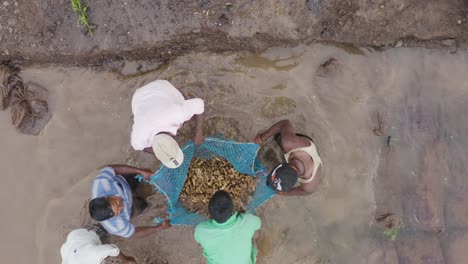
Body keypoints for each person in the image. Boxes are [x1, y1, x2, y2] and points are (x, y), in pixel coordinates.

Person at [131, 80, 205, 168]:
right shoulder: (138, 139)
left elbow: (200, 104)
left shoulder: (177, 115)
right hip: (138, 98)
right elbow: (140, 147)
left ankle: (184, 101)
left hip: (161, 87)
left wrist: (198, 133)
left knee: (184, 106)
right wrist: (159, 151)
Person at [89, 165, 171, 238]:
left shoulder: (101, 182)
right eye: (117, 211)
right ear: (113, 217)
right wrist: (159, 228)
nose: (122, 207)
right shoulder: (117, 226)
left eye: (116, 203)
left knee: (145, 172)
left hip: (123, 182)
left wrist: (141, 171)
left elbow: (112, 169)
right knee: (145, 204)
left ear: (105, 197)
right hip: (131, 207)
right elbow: (134, 233)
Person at [254, 119, 322, 196]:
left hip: (305, 155)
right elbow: (284, 123)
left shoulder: (309, 184)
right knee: (278, 138)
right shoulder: (289, 143)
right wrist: (262, 137)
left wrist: (285, 193)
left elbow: (306, 192)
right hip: (301, 145)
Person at [194, 190, 261, 264]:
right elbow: (258, 224)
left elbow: (198, 240)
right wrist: (243, 216)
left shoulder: (201, 231)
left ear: (210, 213)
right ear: (232, 210)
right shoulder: (248, 221)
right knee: (252, 248)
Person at [60, 225, 136, 264]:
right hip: (72, 243)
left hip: (92, 234)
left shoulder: (89, 257)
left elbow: (111, 248)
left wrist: (126, 259)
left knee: (115, 227)